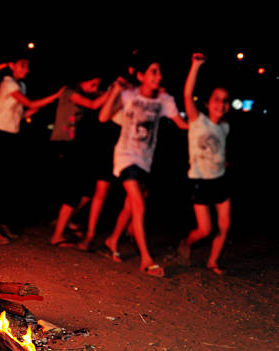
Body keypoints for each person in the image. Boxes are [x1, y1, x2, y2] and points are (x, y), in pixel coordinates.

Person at [98, 54, 188, 276]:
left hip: (145, 160)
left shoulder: (163, 100)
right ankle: (146, 259)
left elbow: (183, 125)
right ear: (141, 75)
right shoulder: (128, 95)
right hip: (125, 156)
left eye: (159, 72)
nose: (158, 76)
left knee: (130, 206)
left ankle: (112, 240)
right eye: (153, 71)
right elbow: (103, 116)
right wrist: (115, 92)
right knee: (139, 205)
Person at [0, 55, 64, 244]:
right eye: (23, 65)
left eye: (27, 66)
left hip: (12, 136)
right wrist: (54, 96)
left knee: (9, 182)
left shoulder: (21, 86)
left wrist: (42, 107)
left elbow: (24, 113)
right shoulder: (8, 83)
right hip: (0, 136)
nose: (26, 69)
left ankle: (2, 224)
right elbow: (28, 103)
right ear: (12, 66)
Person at [177, 53, 231, 275]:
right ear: (208, 102)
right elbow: (187, 95)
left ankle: (213, 261)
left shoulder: (225, 127)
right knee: (205, 229)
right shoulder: (197, 120)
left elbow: (220, 149)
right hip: (199, 181)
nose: (221, 103)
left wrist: (224, 161)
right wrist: (196, 66)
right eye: (217, 99)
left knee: (225, 225)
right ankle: (186, 244)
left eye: (225, 100)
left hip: (220, 179)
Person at [48, 70, 110, 247]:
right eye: (92, 84)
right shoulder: (69, 92)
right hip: (62, 143)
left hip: (75, 146)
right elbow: (92, 104)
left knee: (85, 191)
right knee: (73, 190)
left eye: (97, 85)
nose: (95, 88)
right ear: (82, 81)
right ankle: (57, 234)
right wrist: (113, 91)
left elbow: (98, 96)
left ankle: (65, 221)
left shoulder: (83, 92)